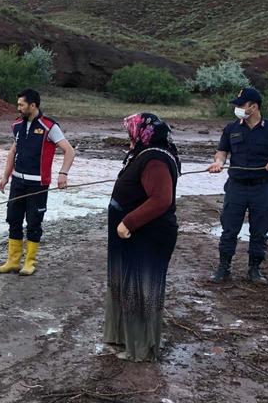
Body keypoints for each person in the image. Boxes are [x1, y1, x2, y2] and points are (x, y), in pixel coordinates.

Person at [103, 113, 180, 362]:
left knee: (141, 289)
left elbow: (161, 199)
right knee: (126, 286)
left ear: (144, 133)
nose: (129, 135)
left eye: (131, 130)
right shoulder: (144, 153)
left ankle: (141, 349)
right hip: (132, 237)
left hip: (147, 235)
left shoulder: (155, 158)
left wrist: (128, 222)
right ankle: (123, 339)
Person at [208, 88, 268, 285]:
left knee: (259, 230)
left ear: (254, 106)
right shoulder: (231, 128)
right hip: (236, 187)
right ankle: (223, 269)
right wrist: (218, 162)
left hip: (262, 188)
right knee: (229, 229)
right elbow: (222, 152)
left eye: (241, 105)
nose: (237, 108)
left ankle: (254, 270)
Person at [0, 88, 75, 276]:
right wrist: (5, 177)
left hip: (38, 184)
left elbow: (69, 151)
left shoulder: (49, 126)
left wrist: (63, 173)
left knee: (33, 223)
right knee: (13, 220)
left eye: (21, 105)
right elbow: (13, 152)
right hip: (17, 182)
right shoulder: (16, 125)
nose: (18, 108)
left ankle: (29, 262)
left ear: (33, 105)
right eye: (18, 105)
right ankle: (13, 261)